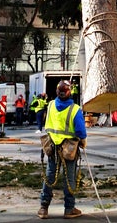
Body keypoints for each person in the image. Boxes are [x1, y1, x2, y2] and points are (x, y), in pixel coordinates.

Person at [39, 80, 86, 219]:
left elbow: (48, 123)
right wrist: (83, 140)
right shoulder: (75, 109)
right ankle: (69, 209)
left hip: (53, 146)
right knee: (69, 177)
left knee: (49, 176)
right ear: (69, 92)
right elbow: (80, 131)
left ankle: (43, 207)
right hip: (69, 148)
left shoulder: (51, 104)